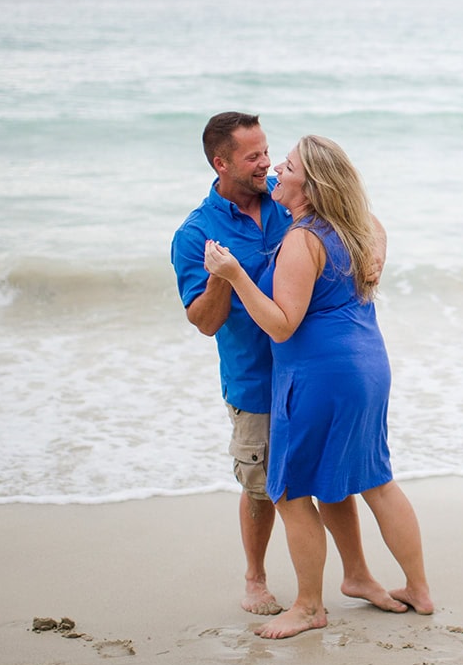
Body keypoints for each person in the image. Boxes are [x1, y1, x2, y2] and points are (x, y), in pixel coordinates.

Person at [171, 112, 406, 618]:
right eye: (253, 157)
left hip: (309, 376)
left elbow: (364, 219)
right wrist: (222, 277)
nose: (266, 165)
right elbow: (204, 322)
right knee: (262, 486)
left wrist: (376, 255)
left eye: (266, 151)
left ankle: (358, 574)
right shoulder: (195, 234)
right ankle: (255, 579)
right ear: (221, 162)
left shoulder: (283, 192)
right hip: (256, 378)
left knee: (329, 479)